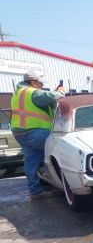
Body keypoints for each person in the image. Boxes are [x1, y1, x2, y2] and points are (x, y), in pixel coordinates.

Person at [10, 71, 65, 199]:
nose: (42, 86)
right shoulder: (32, 92)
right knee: (62, 152)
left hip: (20, 132)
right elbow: (50, 96)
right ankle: (66, 185)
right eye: (41, 83)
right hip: (35, 131)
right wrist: (61, 91)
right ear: (33, 82)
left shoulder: (18, 93)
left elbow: (43, 101)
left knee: (31, 160)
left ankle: (35, 190)